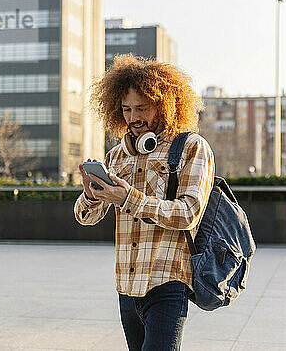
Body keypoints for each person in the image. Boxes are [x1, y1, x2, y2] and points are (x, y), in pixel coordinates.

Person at [74, 54, 215, 350]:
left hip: (167, 283)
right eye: (126, 108)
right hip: (126, 287)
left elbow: (188, 213)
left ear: (164, 105)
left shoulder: (190, 147)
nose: (133, 117)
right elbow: (86, 217)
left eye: (142, 107)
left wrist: (130, 198)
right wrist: (90, 194)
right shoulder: (115, 156)